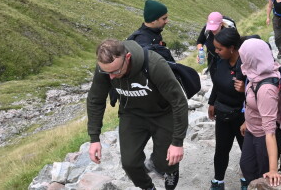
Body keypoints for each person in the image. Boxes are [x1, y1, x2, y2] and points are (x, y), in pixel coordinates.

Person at [86, 38, 188, 190]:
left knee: (165, 161)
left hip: (163, 113)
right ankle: (148, 188)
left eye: (115, 71)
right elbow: (95, 100)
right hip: (132, 114)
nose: (111, 77)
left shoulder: (154, 65)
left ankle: (171, 171)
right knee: (129, 163)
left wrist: (177, 142)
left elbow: (179, 102)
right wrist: (94, 138)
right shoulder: (106, 69)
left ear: (127, 57)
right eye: (107, 72)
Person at [239, 38, 281, 189]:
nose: (242, 61)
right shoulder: (256, 74)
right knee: (246, 166)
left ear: (251, 59)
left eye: (244, 57)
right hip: (252, 130)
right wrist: (247, 121)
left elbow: (270, 131)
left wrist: (273, 170)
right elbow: (254, 104)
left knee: (262, 174)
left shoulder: (267, 88)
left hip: (264, 135)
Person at [207, 27, 247, 190]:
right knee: (221, 149)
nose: (216, 52)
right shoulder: (220, 61)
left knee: (246, 151)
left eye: (219, 49)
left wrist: (246, 89)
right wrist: (212, 102)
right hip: (222, 112)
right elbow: (216, 83)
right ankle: (218, 181)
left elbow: (261, 91)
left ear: (232, 48)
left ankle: (247, 180)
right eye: (215, 48)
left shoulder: (246, 64)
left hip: (242, 116)